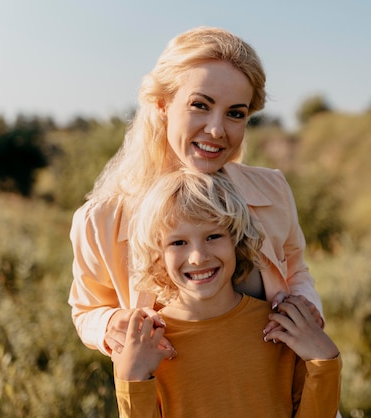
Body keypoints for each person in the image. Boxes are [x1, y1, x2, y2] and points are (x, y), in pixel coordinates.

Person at [68, 26, 324, 356]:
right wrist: (109, 323)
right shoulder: (100, 219)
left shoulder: (273, 190)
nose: (217, 129)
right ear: (162, 104)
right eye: (200, 105)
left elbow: (297, 269)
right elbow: (87, 310)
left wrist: (305, 305)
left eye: (235, 113)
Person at [112, 168, 341, 417]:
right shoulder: (145, 345)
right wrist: (133, 379)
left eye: (213, 236)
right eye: (178, 242)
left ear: (237, 240)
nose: (198, 257)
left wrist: (324, 360)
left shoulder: (281, 327)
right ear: (157, 255)